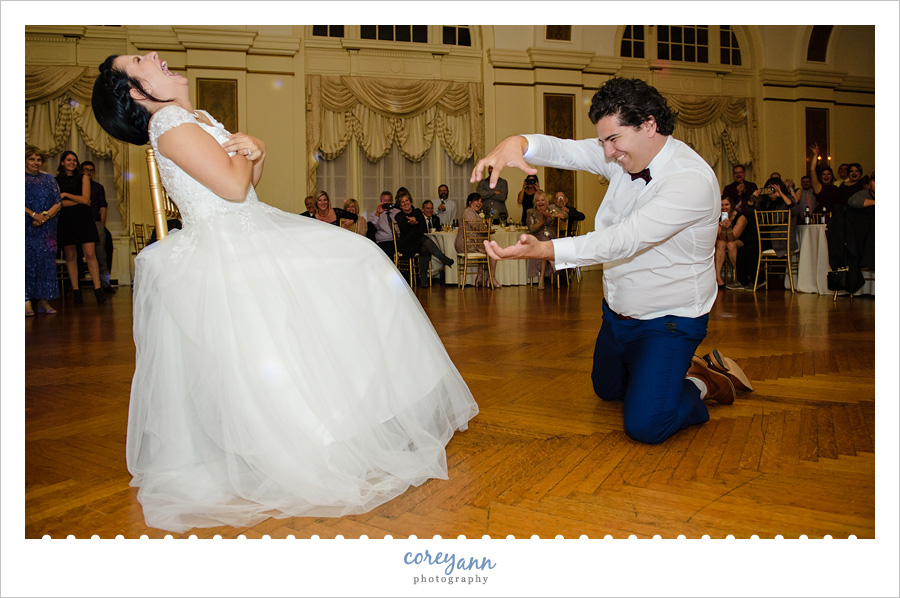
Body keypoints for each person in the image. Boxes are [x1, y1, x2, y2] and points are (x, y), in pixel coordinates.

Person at [91, 51, 477, 533]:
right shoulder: (168, 120)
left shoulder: (196, 117)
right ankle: (336, 419)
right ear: (135, 92)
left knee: (354, 268)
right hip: (227, 244)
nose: (153, 55)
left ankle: (336, 418)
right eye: (139, 60)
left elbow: (245, 183)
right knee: (359, 265)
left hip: (248, 227)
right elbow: (233, 190)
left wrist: (258, 152)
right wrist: (248, 151)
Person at [471, 77, 752, 445]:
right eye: (603, 140)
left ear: (649, 125)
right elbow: (569, 151)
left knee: (646, 425)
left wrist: (547, 250)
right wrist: (519, 143)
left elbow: (625, 239)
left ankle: (702, 382)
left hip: (669, 317)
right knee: (607, 391)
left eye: (613, 139)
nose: (606, 152)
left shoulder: (691, 180)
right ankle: (668, 373)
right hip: (618, 312)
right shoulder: (622, 154)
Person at [55, 151, 105, 304]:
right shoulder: (55, 180)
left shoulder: (83, 177)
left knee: (90, 253)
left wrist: (66, 195)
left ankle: (98, 289)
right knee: (70, 255)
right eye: (68, 160)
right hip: (66, 220)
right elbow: (58, 204)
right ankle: (76, 291)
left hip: (84, 219)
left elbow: (86, 199)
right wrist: (74, 200)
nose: (72, 162)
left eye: (74, 160)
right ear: (62, 162)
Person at [25, 145, 62, 316]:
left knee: (45, 264)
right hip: (25, 227)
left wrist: (44, 217)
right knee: (26, 263)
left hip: (45, 229)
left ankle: (44, 299)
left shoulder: (48, 179)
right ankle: (25, 301)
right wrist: (33, 215)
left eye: (39, 159)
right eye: (32, 159)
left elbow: (57, 202)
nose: (36, 162)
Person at [394, 192, 454, 288]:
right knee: (421, 238)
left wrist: (415, 222)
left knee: (424, 248)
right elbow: (405, 229)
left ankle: (423, 280)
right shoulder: (399, 216)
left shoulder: (417, 212)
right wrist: (413, 223)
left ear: (410, 201)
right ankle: (442, 258)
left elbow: (422, 226)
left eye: (407, 200)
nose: (405, 203)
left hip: (417, 243)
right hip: (406, 244)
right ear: (400, 205)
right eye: (402, 202)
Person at [80, 161, 116, 294]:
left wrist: (101, 224)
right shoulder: (77, 185)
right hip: (79, 224)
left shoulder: (98, 187)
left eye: (91, 170)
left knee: (101, 254)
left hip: (95, 223)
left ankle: (105, 283)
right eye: (85, 169)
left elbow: (103, 207)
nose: (88, 172)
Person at [454, 192, 500, 288]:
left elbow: (478, 227)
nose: (479, 203)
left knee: (485, 250)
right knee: (493, 252)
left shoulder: (472, 212)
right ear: (470, 202)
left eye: (481, 201)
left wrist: (486, 230)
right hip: (465, 244)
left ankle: (479, 278)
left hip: (470, 243)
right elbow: (477, 226)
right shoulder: (468, 212)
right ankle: (491, 279)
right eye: (477, 200)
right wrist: (488, 230)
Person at [526, 190, 563, 289]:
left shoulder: (552, 209)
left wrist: (552, 215)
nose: (540, 202)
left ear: (546, 201)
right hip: (537, 238)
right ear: (535, 202)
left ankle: (541, 279)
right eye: (538, 201)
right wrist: (543, 219)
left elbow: (564, 215)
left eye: (542, 200)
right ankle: (552, 261)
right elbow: (532, 229)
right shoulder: (531, 212)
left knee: (544, 241)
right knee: (543, 240)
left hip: (551, 238)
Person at [715, 197, 748, 289]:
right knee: (721, 243)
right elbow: (720, 237)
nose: (724, 207)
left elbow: (733, 238)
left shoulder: (741, 217)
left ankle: (739, 276)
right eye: (721, 205)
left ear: (732, 205)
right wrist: (722, 227)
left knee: (730, 244)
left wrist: (729, 228)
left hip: (740, 241)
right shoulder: (717, 217)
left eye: (726, 205)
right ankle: (718, 277)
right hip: (724, 241)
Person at [808, 144, 839, 214]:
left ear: (831, 176)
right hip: (821, 215)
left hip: (835, 214)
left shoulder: (836, 188)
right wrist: (816, 155)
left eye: (828, 174)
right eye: (824, 174)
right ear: (821, 177)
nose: (826, 176)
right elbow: (812, 171)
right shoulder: (818, 187)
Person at [371, 190, 399, 257]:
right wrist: (378, 214)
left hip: (397, 240)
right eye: (385, 201)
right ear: (381, 201)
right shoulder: (375, 214)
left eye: (389, 200)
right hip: (384, 241)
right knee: (388, 250)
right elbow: (372, 228)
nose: (387, 203)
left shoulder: (397, 212)